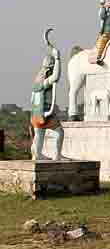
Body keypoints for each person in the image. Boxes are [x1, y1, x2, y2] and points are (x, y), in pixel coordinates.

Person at [31, 30, 65, 160]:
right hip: (44, 112)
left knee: (39, 134)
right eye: (51, 67)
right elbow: (56, 77)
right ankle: (56, 155)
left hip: (36, 113)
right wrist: (57, 58)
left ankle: (37, 154)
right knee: (59, 132)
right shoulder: (43, 81)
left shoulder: (36, 80)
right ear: (49, 68)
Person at [95, 0, 110, 65]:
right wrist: (102, 6)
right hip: (105, 34)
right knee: (102, 43)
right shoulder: (105, 16)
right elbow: (101, 14)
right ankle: (98, 57)